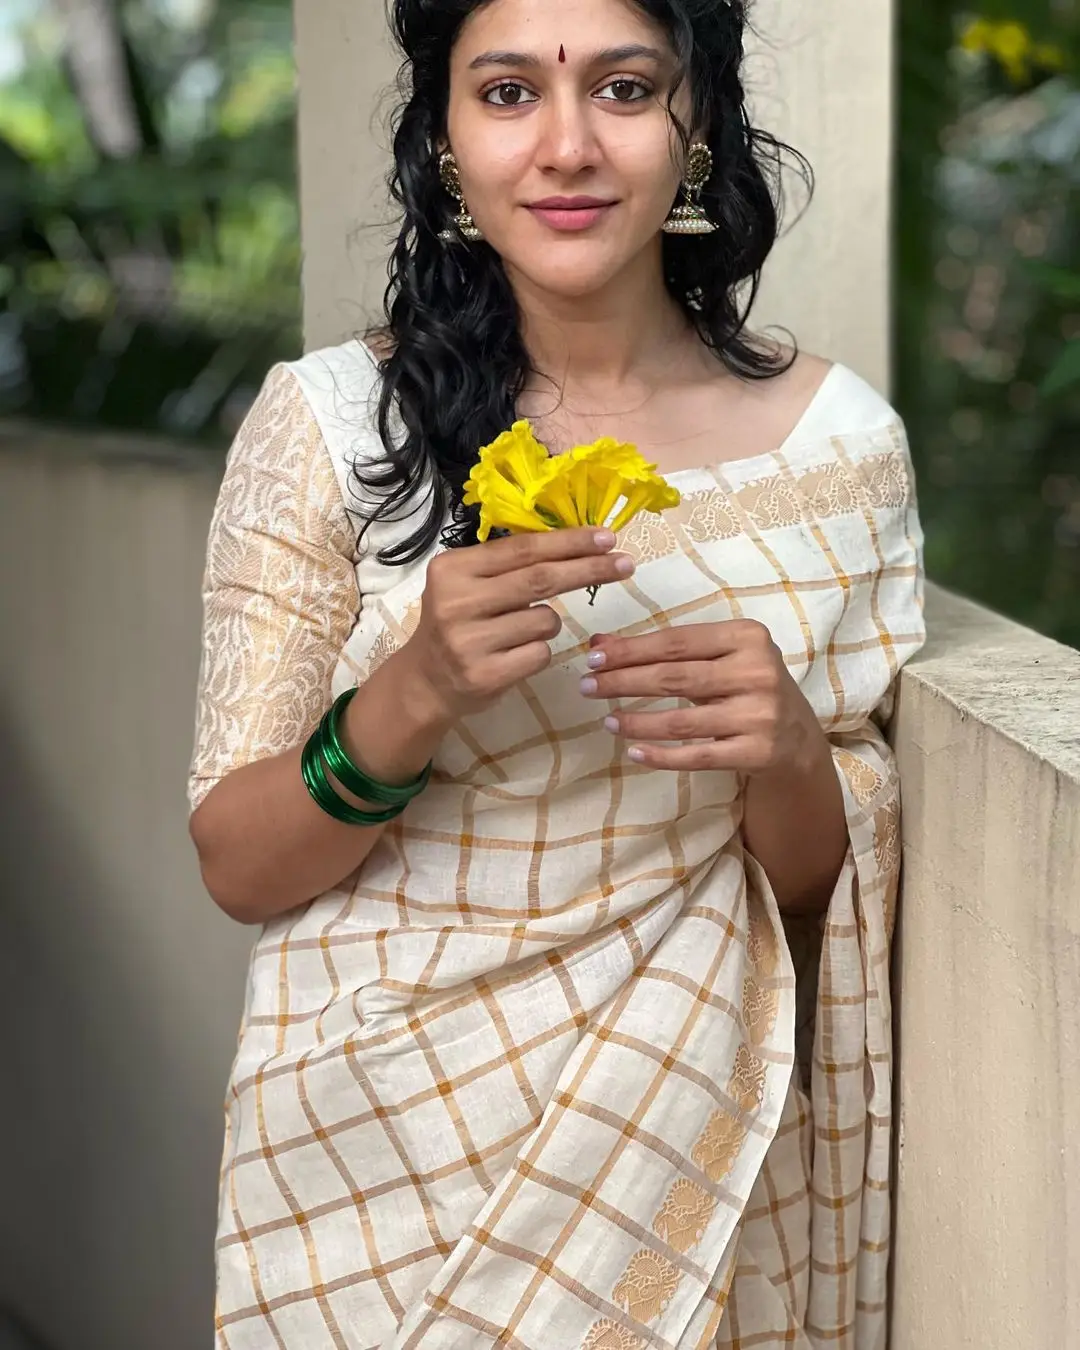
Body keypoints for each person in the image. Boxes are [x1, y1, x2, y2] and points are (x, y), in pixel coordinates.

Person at [188, 0, 925, 1345]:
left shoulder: (837, 449)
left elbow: (819, 891)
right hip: (369, 1176)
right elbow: (238, 863)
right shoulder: (332, 429)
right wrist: (412, 695)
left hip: (680, 1155)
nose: (569, 145)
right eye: (511, 92)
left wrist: (789, 750)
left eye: (627, 89)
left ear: (695, 124)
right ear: (447, 138)